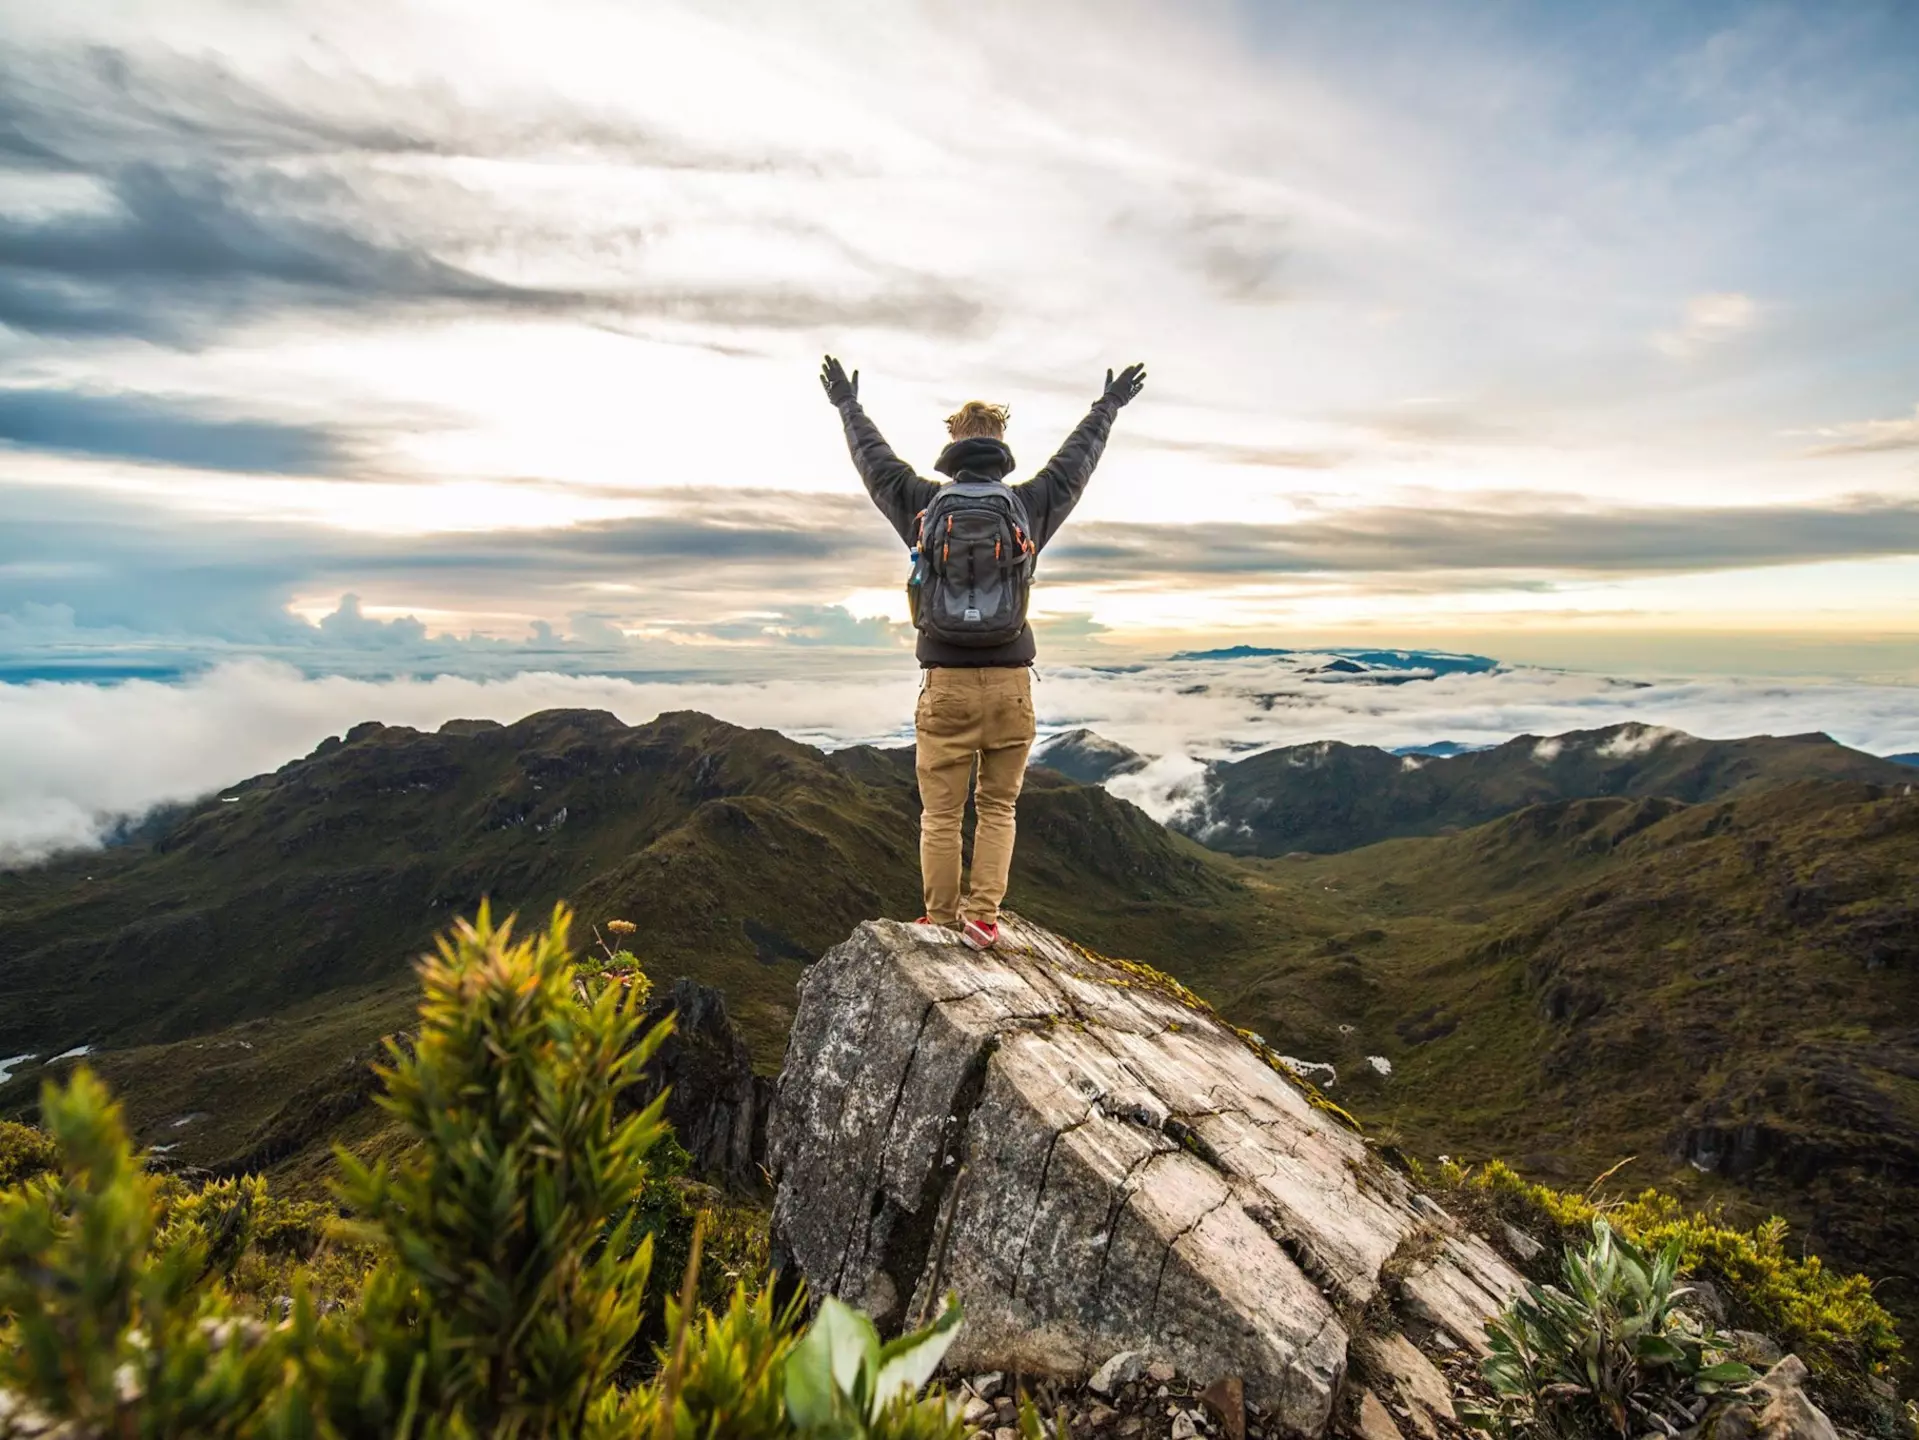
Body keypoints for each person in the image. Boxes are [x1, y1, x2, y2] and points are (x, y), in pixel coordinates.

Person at [820, 354, 1147, 950]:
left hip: (944, 682)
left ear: (953, 444)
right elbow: (1076, 464)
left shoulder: (920, 503)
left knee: (940, 814)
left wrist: (847, 404)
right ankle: (983, 919)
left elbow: (875, 463)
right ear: (1000, 445)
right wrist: (1107, 407)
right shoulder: (1030, 504)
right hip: (1010, 685)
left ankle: (941, 919)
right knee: (998, 806)